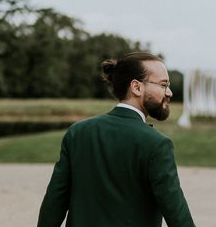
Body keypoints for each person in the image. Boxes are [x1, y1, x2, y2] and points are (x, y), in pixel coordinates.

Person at [37, 52, 195, 227]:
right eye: (163, 85)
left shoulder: (77, 132)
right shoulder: (157, 144)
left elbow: (54, 202)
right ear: (136, 87)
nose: (169, 92)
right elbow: (176, 213)